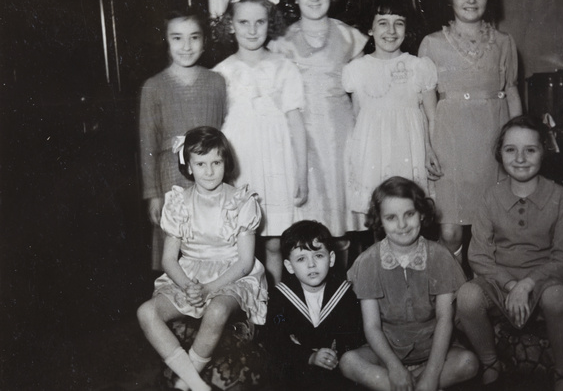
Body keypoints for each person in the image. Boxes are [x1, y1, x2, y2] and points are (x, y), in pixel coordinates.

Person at [137, 126, 268, 391]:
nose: (209, 171)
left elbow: (244, 262)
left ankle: (183, 384)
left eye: (216, 162)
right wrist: (188, 286)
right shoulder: (179, 203)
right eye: (201, 163)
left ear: (225, 162)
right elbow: (169, 260)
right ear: (188, 166)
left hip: (232, 275)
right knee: (146, 312)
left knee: (216, 309)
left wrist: (209, 289)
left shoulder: (240, 201)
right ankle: (196, 385)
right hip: (190, 276)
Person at [457, 116, 563, 391]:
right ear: (500, 153)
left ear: (543, 152)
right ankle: (490, 364)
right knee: (467, 296)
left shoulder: (560, 197)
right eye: (511, 149)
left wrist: (527, 284)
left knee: (556, 295)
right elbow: (479, 255)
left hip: (546, 282)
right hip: (501, 283)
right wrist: (511, 284)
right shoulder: (490, 197)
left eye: (530, 150)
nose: (520, 158)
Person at [418, 0, 522, 263]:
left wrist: (517, 144)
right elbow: (424, 104)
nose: (472, 0)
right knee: (451, 231)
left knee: (493, 229)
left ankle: (486, 299)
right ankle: (453, 299)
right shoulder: (432, 44)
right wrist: (427, 148)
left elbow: (512, 91)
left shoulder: (504, 42)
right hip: (450, 142)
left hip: (492, 142)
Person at [268, 0, 368, 268]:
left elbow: (361, 95)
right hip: (304, 141)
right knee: (309, 223)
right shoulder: (284, 43)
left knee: (342, 224)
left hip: (342, 137)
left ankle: (346, 292)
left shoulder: (349, 36)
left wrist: (363, 139)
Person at [340, 176, 478, 391]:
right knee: (348, 362)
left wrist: (432, 374)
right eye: (391, 218)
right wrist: (394, 368)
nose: (402, 225)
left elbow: (444, 319)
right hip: (386, 354)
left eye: (409, 214)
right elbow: (372, 326)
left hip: (433, 352)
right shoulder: (368, 261)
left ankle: (414, 385)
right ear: (380, 220)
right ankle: (410, 385)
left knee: (469, 363)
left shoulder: (440, 256)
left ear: (421, 214)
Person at [213, 0, 308, 286]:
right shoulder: (221, 73)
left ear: (271, 22)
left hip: (277, 163)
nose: (252, 30)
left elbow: (295, 124)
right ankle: (245, 311)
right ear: (231, 25)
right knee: (242, 242)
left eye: (260, 22)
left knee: (275, 242)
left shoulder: (284, 67)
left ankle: (276, 307)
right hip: (241, 164)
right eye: (244, 22)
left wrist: (302, 174)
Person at [342, 0, 441, 231]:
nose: (391, 30)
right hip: (372, 153)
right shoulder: (357, 69)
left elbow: (432, 115)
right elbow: (357, 117)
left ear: (407, 28)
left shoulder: (418, 67)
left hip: (409, 149)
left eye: (398, 23)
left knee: (408, 214)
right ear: (370, 27)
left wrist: (430, 149)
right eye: (383, 22)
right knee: (379, 218)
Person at [139, 7, 227, 271]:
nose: (186, 46)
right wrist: (153, 195)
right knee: (175, 245)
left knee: (212, 241)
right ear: (166, 41)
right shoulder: (153, 86)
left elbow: (223, 132)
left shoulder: (216, 81)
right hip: (171, 179)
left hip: (210, 175)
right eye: (177, 38)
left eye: (194, 37)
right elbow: (147, 145)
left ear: (205, 41)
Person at [263, 220, 364, 391]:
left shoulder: (344, 294)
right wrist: (309, 356)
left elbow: (355, 335)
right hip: (297, 372)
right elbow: (275, 341)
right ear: (289, 266)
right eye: (301, 259)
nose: (311, 264)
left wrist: (335, 353)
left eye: (318, 255)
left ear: (331, 259)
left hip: (336, 370)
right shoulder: (281, 297)